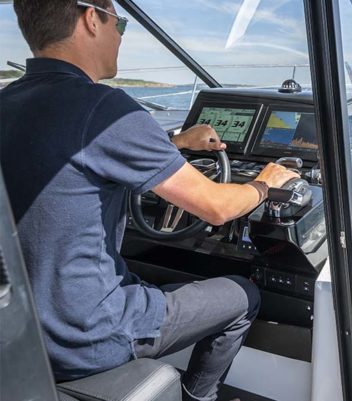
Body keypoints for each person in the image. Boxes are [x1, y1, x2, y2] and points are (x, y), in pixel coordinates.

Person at [0, 1, 299, 400]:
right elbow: (217, 206)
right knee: (244, 295)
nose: (121, 35)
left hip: (18, 330)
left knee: (154, 280)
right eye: (120, 22)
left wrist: (175, 144)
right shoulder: (103, 108)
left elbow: (74, 157)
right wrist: (265, 182)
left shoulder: (9, 100)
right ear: (92, 19)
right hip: (86, 336)